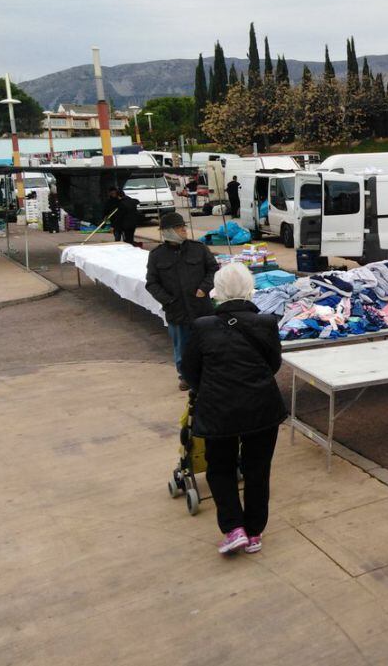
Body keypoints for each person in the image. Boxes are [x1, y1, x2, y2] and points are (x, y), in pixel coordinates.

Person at [181, 262, 286, 555]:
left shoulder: (202, 327)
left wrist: (212, 387)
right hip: (262, 408)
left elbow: (190, 371)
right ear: (249, 289)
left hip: (219, 411)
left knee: (221, 468)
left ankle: (233, 528)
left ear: (218, 291)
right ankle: (254, 532)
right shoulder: (265, 323)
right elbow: (273, 364)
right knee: (257, 469)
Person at [145, 212, 218, 390]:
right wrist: (168, 300)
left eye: (183, 227)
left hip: (201, 308)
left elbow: (213, 269)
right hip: (176, 311)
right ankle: (185, 376)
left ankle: (208, 374)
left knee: (207, 343)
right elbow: (152, 283)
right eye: (179, 228)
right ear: (168, 232)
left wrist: (204, 288)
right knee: (182, 347)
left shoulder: (198, 249)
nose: (184, 230)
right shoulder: (157, 256)